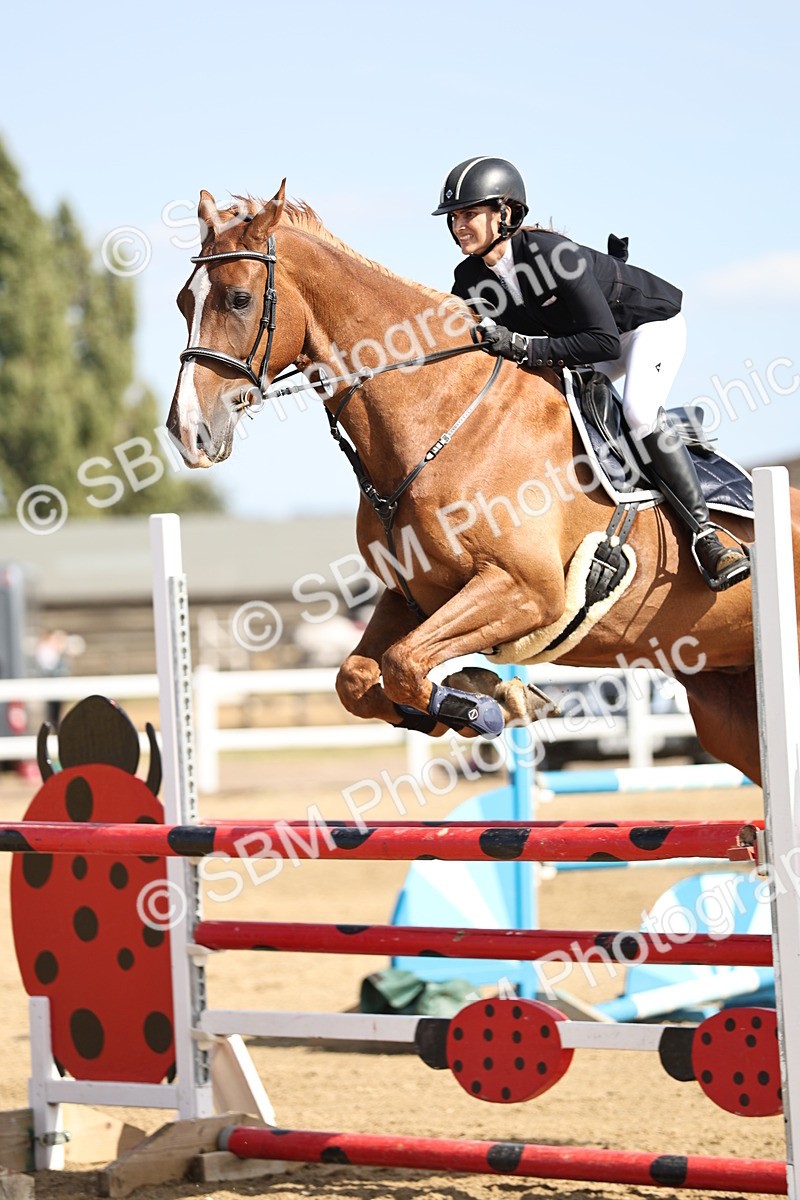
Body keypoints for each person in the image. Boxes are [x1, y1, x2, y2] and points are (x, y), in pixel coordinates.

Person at [433, 156, 750, 591]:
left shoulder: (549, 253)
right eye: (454, 217)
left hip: (643, 328)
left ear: (505, 213)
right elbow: (459, 336)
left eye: (470, 213)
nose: (458, 225)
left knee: (639, 412)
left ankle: (706, 537)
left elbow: (602, 342)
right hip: (585, 339)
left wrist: (524, 346)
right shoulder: (469, 277)